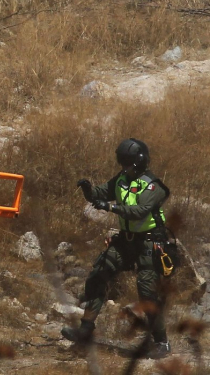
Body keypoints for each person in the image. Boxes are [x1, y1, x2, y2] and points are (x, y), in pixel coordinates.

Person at [61, 138, 172, 359]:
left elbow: (139, 211)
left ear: (139, 162)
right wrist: (88, 190)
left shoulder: (153, 186)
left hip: (150, 242)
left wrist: (110, 207)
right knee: (98, 274)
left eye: (128, 164)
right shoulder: (121, 179)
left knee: (147, 291)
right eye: (122, 164)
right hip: (126, 240)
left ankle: (161, 342)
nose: (124, 168)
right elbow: (100, 194)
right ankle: (85, 330)